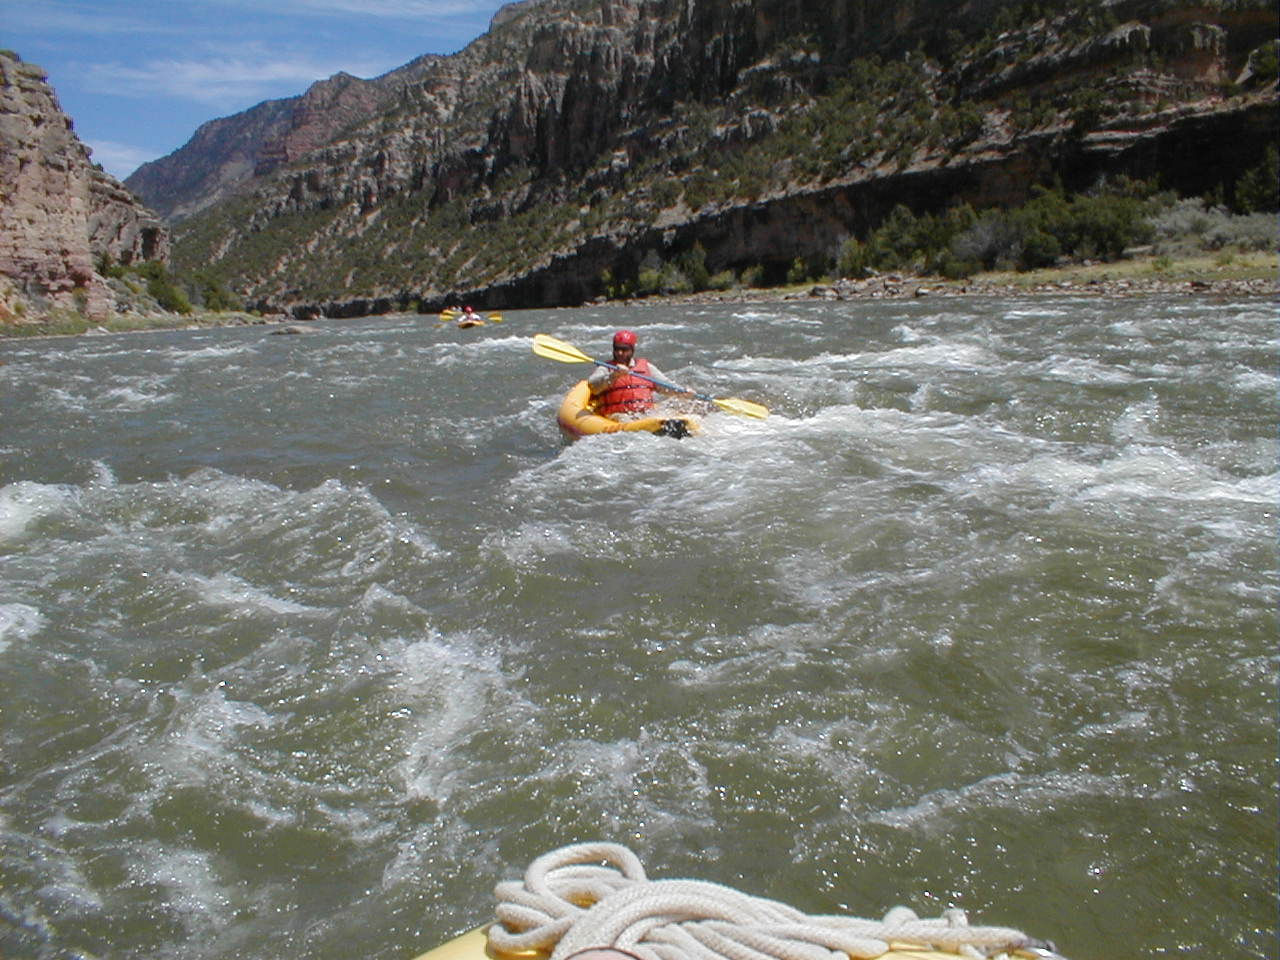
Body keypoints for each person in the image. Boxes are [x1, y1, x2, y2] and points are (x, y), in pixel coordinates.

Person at [587, 329, 686, 418]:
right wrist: (614, 376)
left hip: (644, 414)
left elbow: (664, 385)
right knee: (624, 419)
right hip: (617, 416)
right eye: (617, 349)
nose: (620, 353)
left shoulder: (646, 367)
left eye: (624, 349)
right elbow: (593, 387)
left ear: (632, 350)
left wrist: (682, 392)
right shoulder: (605, 368)